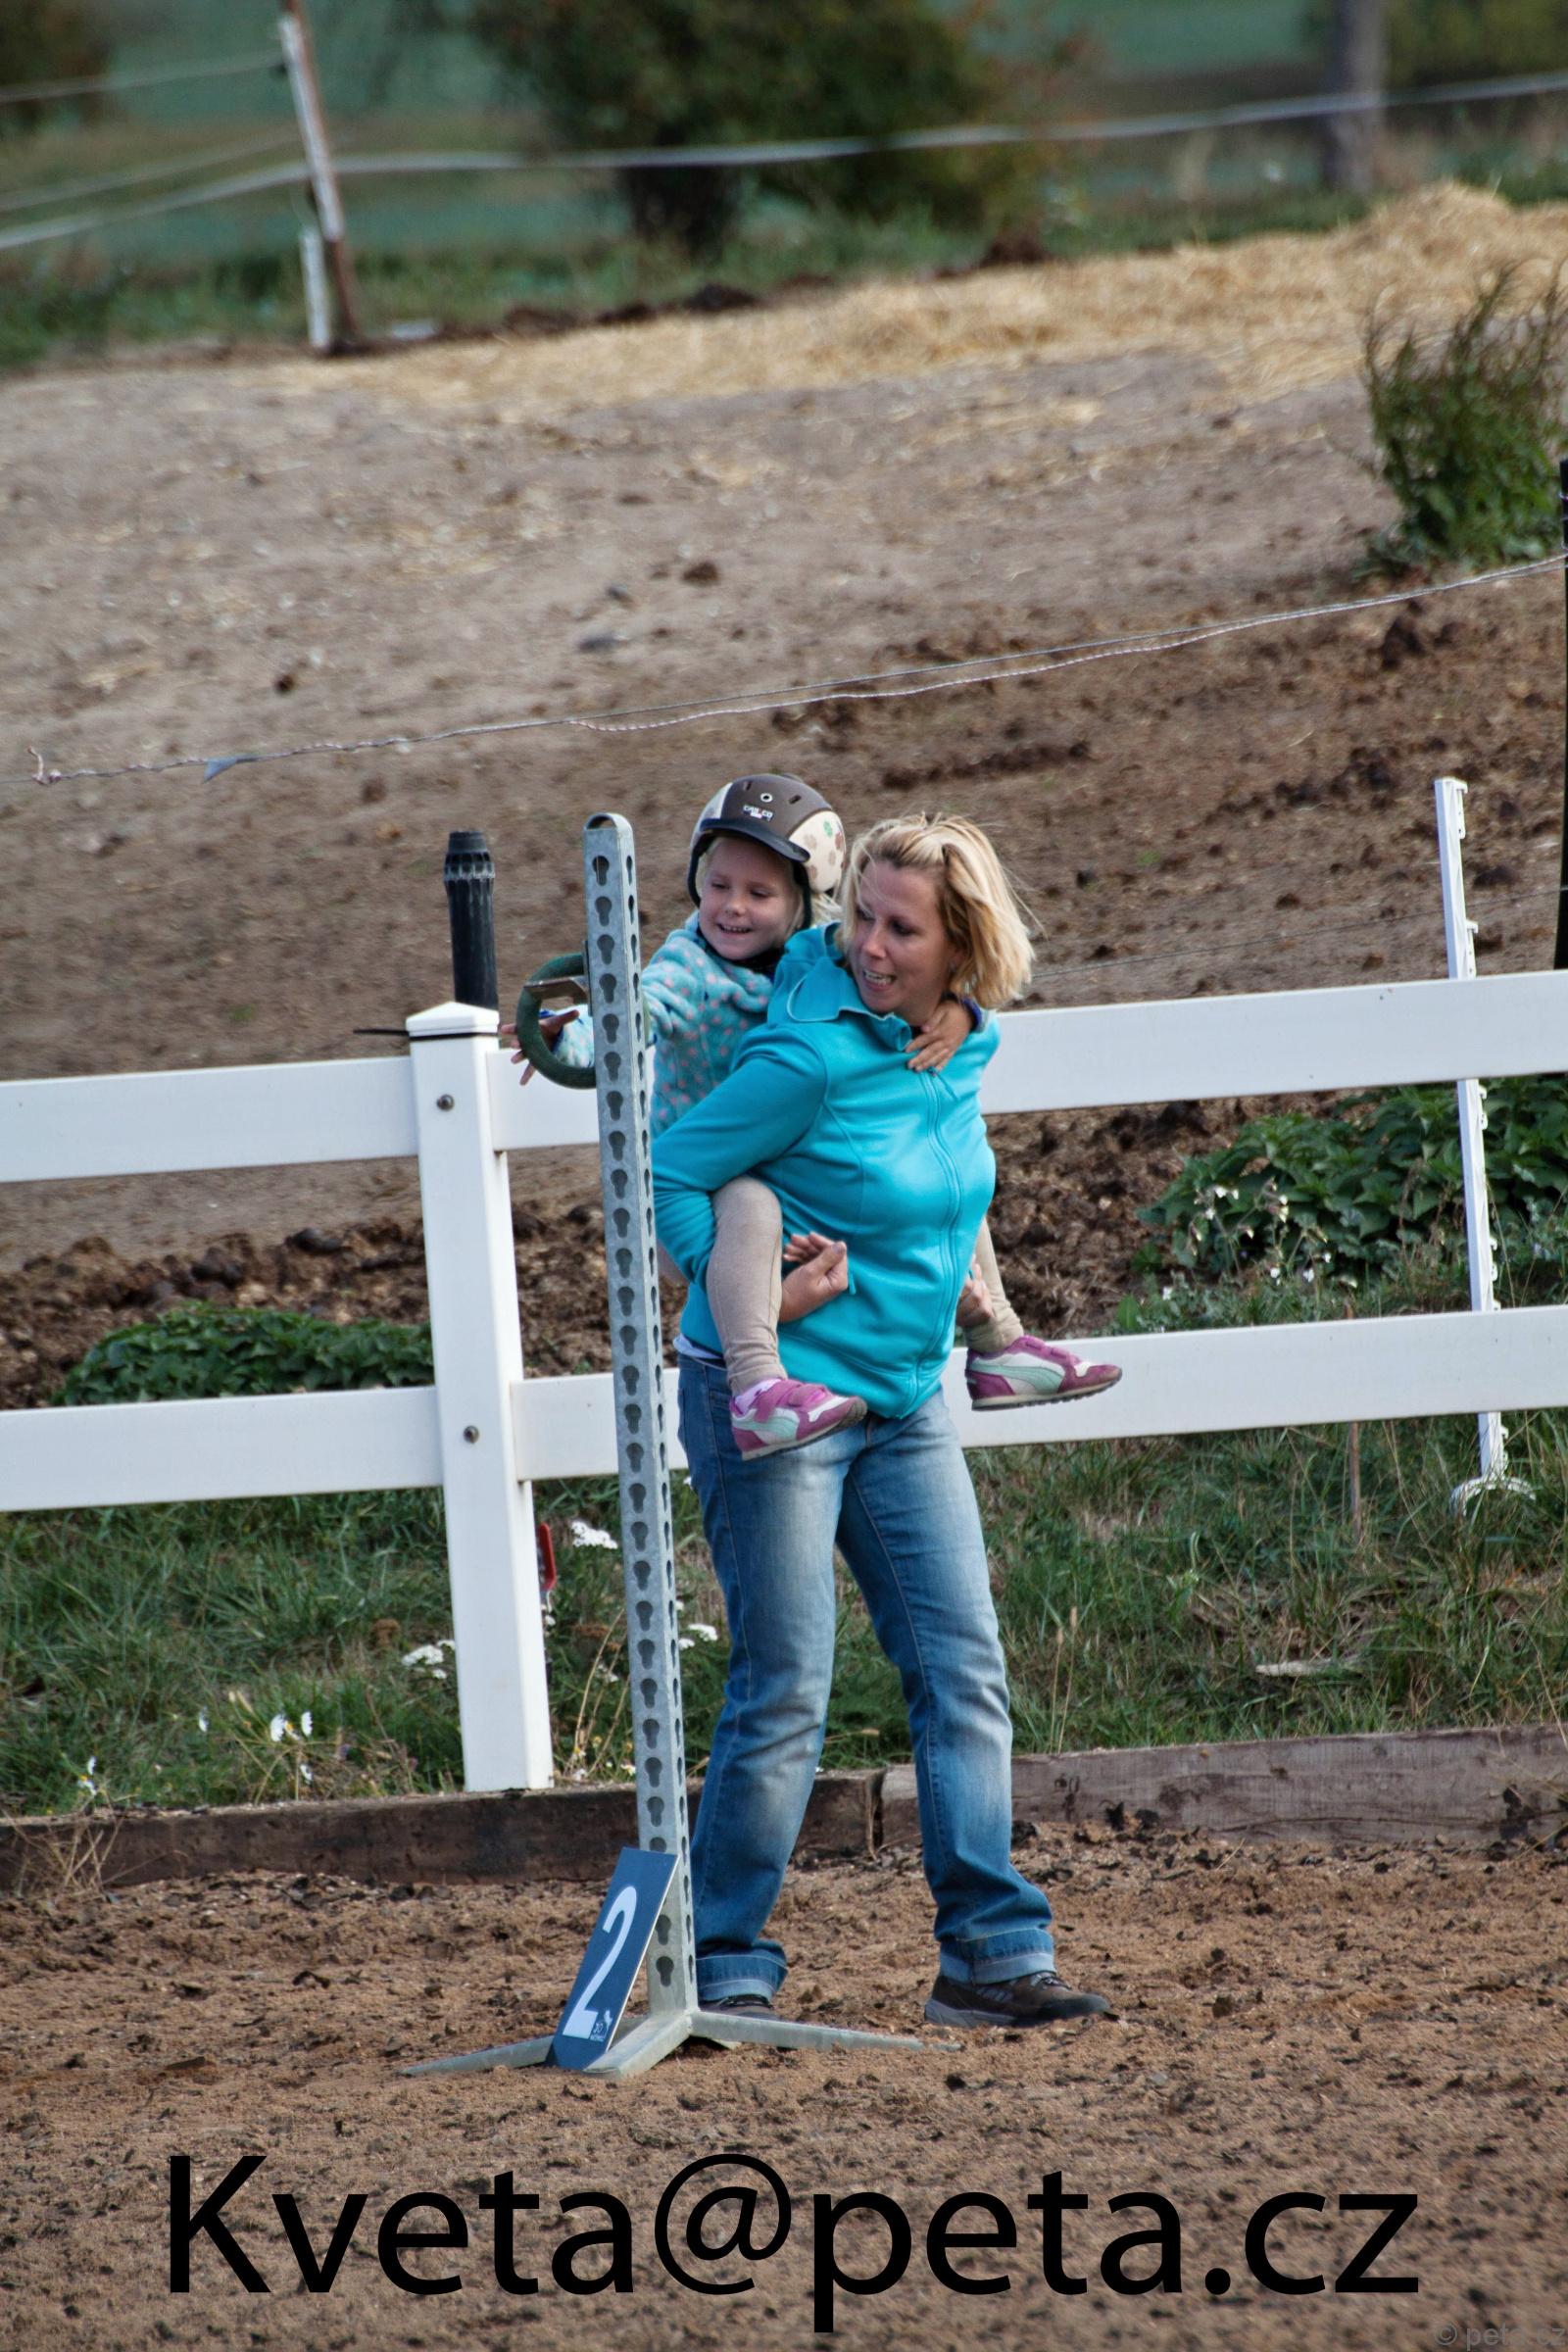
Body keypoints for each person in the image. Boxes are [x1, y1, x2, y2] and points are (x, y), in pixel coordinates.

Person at [653, 810, 1112, 2030]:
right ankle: (721, 1964)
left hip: (902, 1400)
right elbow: (674, 1168)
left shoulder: (961, 1040)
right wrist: (746, 1298)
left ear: (962, 948)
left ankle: (990, 1956)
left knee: (962, 1671)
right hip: (776, 1401)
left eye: (901, 929)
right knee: (786, 1685)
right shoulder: (806, 1057)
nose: (868, 945)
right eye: (860, 917)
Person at [512, 773, 1119, 1459]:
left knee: (943, 1164)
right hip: (707, 1190)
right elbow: (636, 1012)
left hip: (775, 1158)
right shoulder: (690, 968)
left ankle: (998, 1338)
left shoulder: (819, 950)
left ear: (806, 900)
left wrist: (963, 1010)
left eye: (759, 893)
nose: (732, 907)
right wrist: (568, 1039)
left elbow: (933, 962)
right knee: (754, 1202)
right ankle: (757, 1387)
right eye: (718, 885)